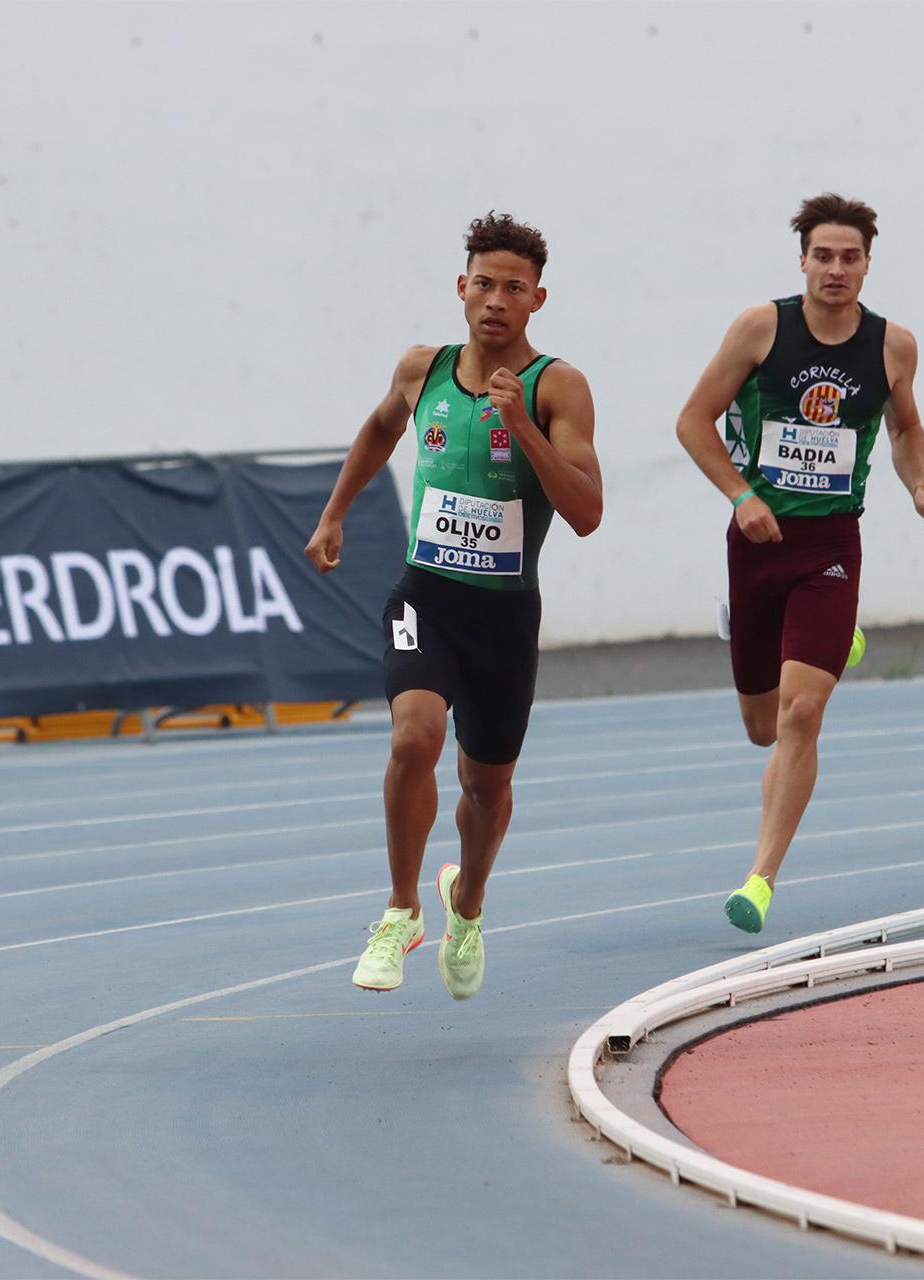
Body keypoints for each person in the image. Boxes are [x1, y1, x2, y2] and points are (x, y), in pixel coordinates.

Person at [305, 212, 602, 997]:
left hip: (504, 617)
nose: (495, 300)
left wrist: (522, 430)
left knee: (487, 786)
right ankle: (402, 911)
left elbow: (586, 511)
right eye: (483, 283)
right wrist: (335, 513)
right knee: (414, 736)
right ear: (460, 288)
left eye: (513, 287)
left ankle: (465, 904)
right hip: (426, 596)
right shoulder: (421, 368)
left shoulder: (557, 386)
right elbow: (377, 430)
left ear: (537, 298)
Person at [674, 193, 924, 933]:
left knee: (803, 713)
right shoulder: (761, 328)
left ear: (867, 265)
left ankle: (760, 879)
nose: (836, 269)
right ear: (802, 259)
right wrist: (739, 496)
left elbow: (906, 427)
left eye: (850, 257)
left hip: (831, 546)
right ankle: (832, 643)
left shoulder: (893, 346)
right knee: (762, 727)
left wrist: (921, 486)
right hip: (758, 544)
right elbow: (692, 421)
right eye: (823, 255)